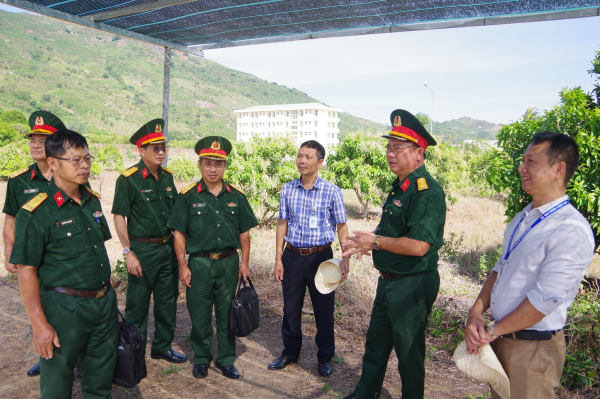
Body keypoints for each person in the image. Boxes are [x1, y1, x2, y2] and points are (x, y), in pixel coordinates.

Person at [464, 132, 595, 399]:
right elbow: (499, 270)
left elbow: (543, 300)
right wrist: (476, 313)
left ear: (558, 169)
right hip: (503, 338)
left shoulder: (571, 229)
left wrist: (491, 331)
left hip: (533, 349)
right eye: (522, 160)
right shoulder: (523, 218)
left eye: (531, 161)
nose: (521, 168)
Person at [341, 110, 446, 399]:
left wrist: (376, 243)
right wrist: (366, 241)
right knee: (376, 344)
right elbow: (392, 232)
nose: (390, 154)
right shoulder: (401, 186)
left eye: (398, 148)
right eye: (389, 147)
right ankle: (366, 393)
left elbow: (419, 246)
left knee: (409, 353)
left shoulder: (426, 191)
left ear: (419, 155)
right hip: (389, 280)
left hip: (412, 282)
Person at [11, 129, 118, 398]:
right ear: (53, 163)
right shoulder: (36, 212)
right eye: (75, 160)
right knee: (57, 384)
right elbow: (26, 270)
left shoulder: (91, 200)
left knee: (100, 380)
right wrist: (38, 324)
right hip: (64, 309)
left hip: (103, 304)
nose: (84, 165)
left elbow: (99, 246)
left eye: (87, 158)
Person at [167, 136, 258, 380]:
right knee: (199, 313)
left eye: (218, 164)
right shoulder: (187, 196)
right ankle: (202, 358)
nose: (212, 169)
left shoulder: (236, 196)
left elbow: (244, 232)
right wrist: (183, 265)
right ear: (199, 165)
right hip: (199, 264)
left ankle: (227, 359)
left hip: (229, 262)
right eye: (208, 163)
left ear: (225, 166)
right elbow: (179, 234)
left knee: (228, 313)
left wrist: (245, 263)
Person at [268, 140, 350, 377]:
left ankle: (324, 357)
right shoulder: (288, 189)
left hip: (321, 258)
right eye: (299, 156)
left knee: (324, 311)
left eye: (308, 157)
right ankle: (290, 352)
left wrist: (345, 258)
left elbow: (341, 226)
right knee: (290, 309)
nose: (302, 161)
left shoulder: (332, 191)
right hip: (292, 256)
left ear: (320, 162)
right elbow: (282, 224)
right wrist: (278, 259)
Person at [111, 119, 186, 364]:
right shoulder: (129, 179)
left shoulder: (167, 177)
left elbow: (176, 215)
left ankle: (162, 347)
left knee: (167, 301)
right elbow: (119, 217)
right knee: (137, 305)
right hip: (141, 249)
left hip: (167, 248)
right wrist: (128, 252)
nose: (161, 152)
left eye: (163, 147)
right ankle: (134, 351)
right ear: (140, 150)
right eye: (155, 148)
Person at [2, 110, 66, 378]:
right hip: (33, 260)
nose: (36, 144)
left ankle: (79, 357)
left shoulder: (67, 175)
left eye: (43, 139)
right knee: (38, 306)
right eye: (33, 139)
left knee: (68, 306)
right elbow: (11, 221)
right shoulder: (19, 181)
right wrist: (10, 253)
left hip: (62, 257)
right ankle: (47, 355)